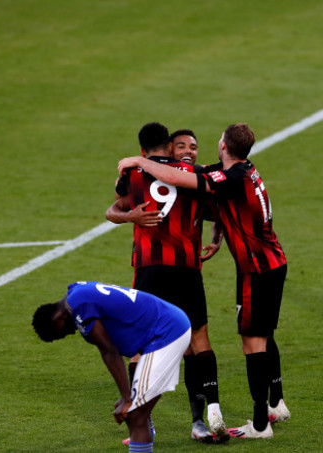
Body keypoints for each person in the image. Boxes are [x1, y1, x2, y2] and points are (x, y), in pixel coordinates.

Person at [118, 122, 291, 440]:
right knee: (259, 335)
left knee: (253, 341)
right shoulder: (240, 170)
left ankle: (260, 424)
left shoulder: (230, 176)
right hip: (265, 263)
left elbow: (175, 178)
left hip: (257, 268)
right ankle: (272, 405)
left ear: (223, 146)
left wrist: (140, 161)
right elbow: (212, 196)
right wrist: (217, 232)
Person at [105, 123, 228, 444]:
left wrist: (131, 216)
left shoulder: (131, 175)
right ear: (169, 146)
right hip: (187, 268)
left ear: (143, 149)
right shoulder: (194, 175)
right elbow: (219, 210)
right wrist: (216, 236)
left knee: (140, 346)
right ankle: (201, 420)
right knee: (197, 340)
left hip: (148, 269)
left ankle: (143, 424)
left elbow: (112, 210)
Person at [31, 281, 191, 453]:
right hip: (162, 328)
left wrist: (127, 398)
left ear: (58, 318)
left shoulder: (80, 308)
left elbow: (109, 351)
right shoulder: (74, 293)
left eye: (60, 333)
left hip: (167, 332)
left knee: (136, 416)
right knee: (136, 415)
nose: (69, 333)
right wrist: (126, 397)